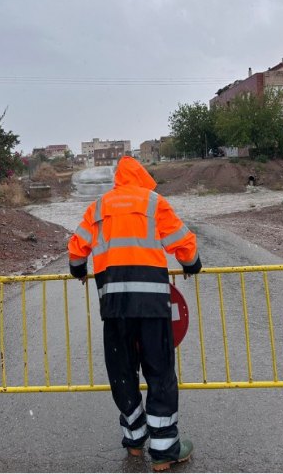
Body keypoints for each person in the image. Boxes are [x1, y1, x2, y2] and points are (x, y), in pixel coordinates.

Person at [68, 156, 202, 471]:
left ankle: (134, 439)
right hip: (152, 305)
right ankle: (165, 447)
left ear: (118, 179)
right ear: (142, 177)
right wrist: (191, 265)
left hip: (114, 306)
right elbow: (184, 244)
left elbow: (77, 251)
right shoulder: (154, 202)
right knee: (159, 371)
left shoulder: (99, 207)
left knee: (122, 370)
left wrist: (78, 271)